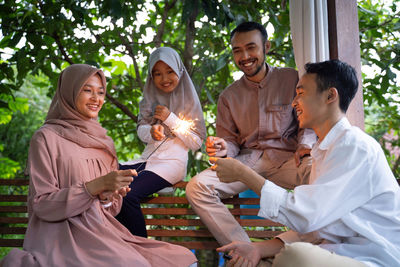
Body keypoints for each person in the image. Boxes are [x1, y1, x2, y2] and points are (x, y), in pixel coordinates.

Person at [1, 64, 197, 267]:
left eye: (100, 92)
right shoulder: (46, 138)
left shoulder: (103, 142)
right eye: (87, 90)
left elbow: (109, 210)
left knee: (184, 259)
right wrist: (92, 188)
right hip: (60, 236)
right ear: (70, 91)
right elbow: (42, 205)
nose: (96, 98)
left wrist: (107, 196)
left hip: (103, 231)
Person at [214, 59, 400, 267]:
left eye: (301, 93)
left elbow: (306, 215)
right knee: (252, 262)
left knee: (295, 257)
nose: (294, 103)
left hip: (373, 259)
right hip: (337, 253)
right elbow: (317, 227)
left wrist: (244, 173)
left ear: (330, 95)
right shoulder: (323, 151)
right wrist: (257, 248)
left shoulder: (354, 146)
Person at [186, 21, 316, 245]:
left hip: (290, 160)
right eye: (237, 50)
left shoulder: (293, 79)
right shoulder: (228, 97)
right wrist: (224, 147)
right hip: (248, 163)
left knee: (323, 174)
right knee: (197, 187)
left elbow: (309, 121)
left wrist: (306, 145)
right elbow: (230, 141)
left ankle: (311, 245)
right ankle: (244, 250)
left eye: (251, 47)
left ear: (266, 46)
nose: (245, 56)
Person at [116, 47, 206, 237]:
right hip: (146, 160)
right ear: (151, 77)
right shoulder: (149, 98)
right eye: (157, 74)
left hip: (171, 164)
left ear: (179, 71)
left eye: (170, 71)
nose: (164, 79)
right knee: (106, 177)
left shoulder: (189, 100)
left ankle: (141, 251)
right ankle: (115, 245)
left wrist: (170, 118)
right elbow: (141, 129)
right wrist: (152, 131)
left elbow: (196, 142)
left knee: (127, 195)